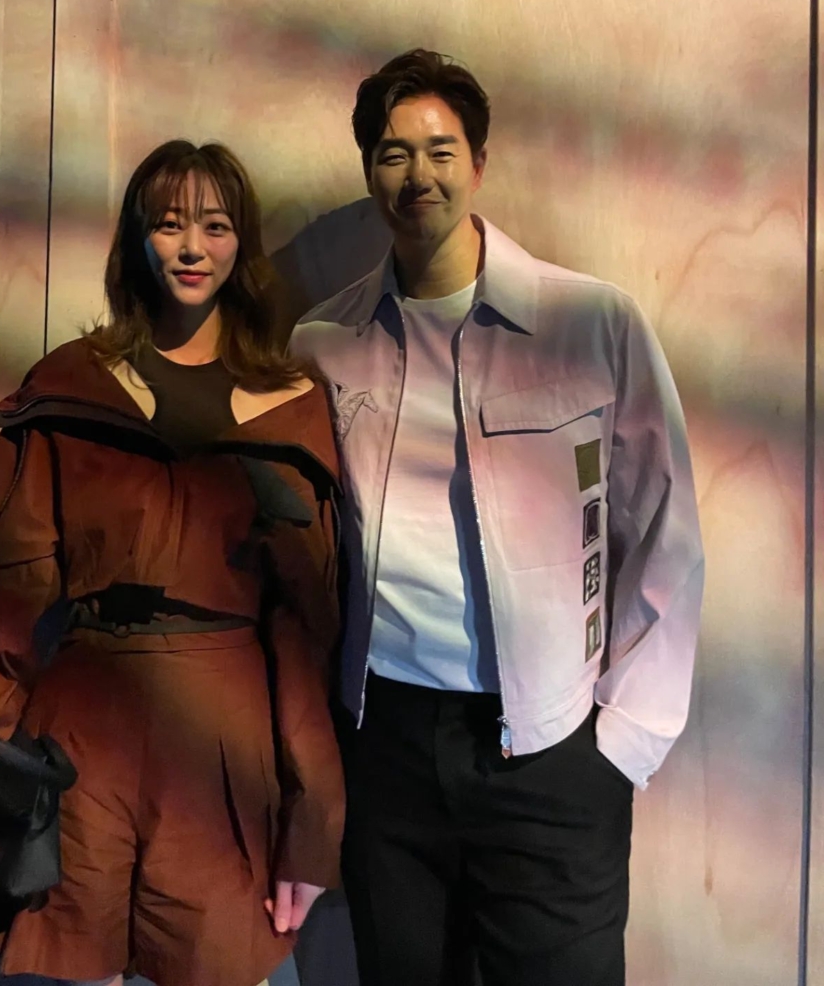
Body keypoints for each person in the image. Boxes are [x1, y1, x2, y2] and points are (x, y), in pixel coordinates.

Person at [289, 49, 705, 986]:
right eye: (393, 153)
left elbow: (666, 539)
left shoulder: (593, 323)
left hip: (550, 754)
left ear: (478, 164)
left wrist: (619, 749)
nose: (418, 174)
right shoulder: (323, 344)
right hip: (385, 749)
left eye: (441, 150)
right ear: (369, 173)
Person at [0, 140, 345, 986]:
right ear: (137, 238)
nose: (191, 247)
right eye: (169, 224)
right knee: (75, 961)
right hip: (82, 743)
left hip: (225, 748)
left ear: (240, 244)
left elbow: (305, 641)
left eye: (214, 226)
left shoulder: (291, 409)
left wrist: (312, 829)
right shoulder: (74, 388)